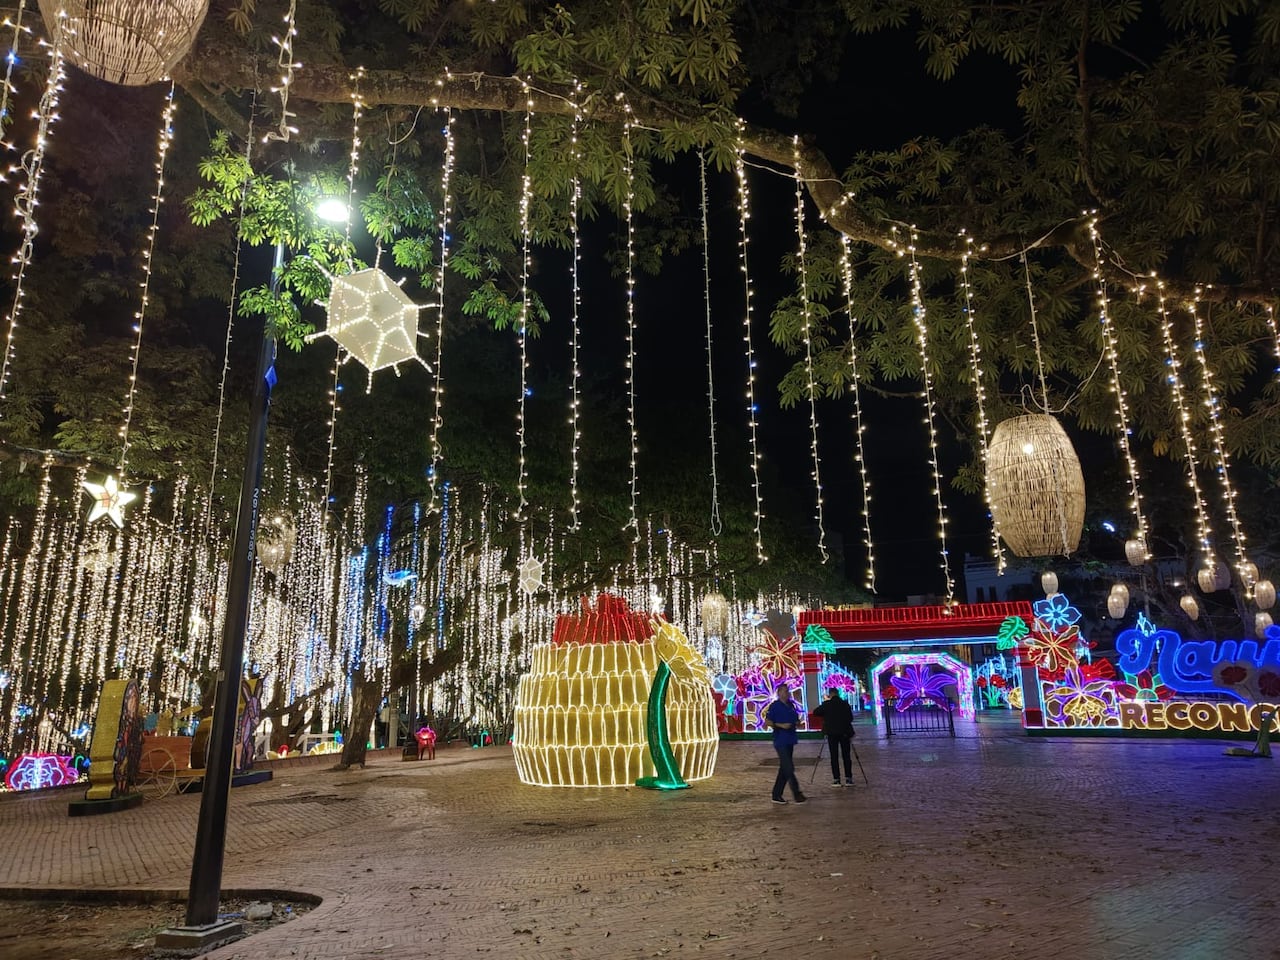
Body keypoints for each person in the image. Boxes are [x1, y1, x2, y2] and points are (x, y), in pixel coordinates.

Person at [764, 683, 806, 805]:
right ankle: (797, 793)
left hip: (790, 739)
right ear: (779, 693)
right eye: (784, 691)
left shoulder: (791, 705)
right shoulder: (775, 706)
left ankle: (776, 794)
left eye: (787, 691)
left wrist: (797, 722)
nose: (787, 693)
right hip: (780, 740)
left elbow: (795, 718)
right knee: (788, 767)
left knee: (784, 768)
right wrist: (780, 725)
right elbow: (768, 721)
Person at [811, 687, 855, 786]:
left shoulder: (827, 704)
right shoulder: (845, 704)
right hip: (844, 733)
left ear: (830, 694)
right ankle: (848, 778)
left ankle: (836, 779)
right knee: (846, 756)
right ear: (838, 693)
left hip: (831, 733)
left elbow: (815, 712)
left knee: (834, 757)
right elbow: (850, 718)